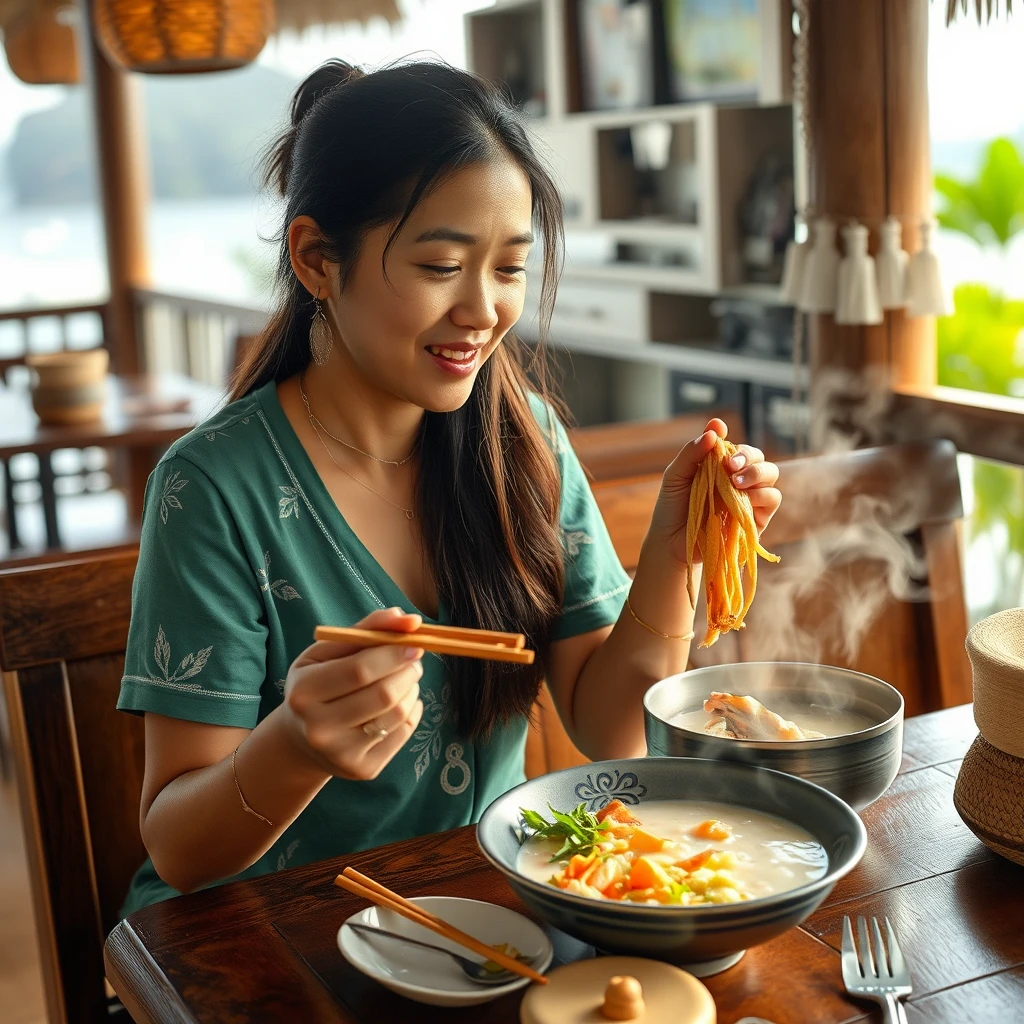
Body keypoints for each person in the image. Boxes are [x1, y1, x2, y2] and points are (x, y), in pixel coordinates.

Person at [116, 60, 782, 915]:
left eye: (509, 268)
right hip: (271, 937)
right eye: (441, 266)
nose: (484, 310)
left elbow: (611, 727)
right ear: (318, 259)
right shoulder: (212, 488)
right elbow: (178, 851)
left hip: (479, 923)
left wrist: (676, 549)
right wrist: (296, 745)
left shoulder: (525, 441)